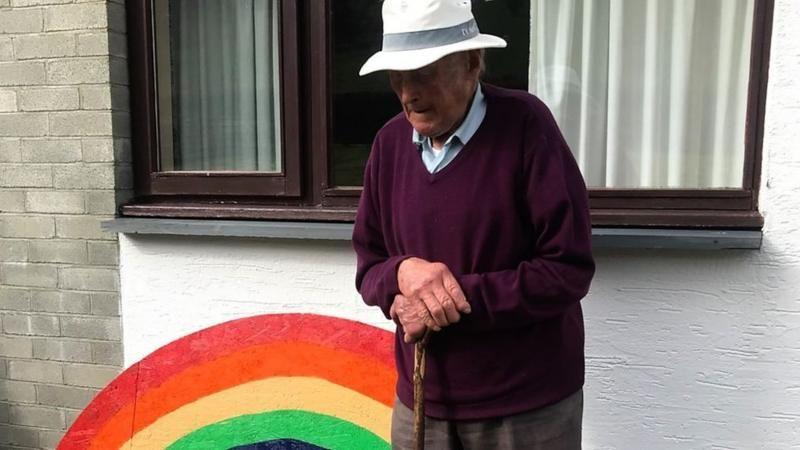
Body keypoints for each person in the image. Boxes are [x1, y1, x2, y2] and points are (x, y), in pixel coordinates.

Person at [352, 1, 595, 448]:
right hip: (422, 405)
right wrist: (401, 277)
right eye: (397, 77)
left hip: (526, 408)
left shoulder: (527, 127)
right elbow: (370, 267)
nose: (408, 93)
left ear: (471, 63)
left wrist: (452, 299)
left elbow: (568, 268)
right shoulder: (388, 145)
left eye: (422, 73)